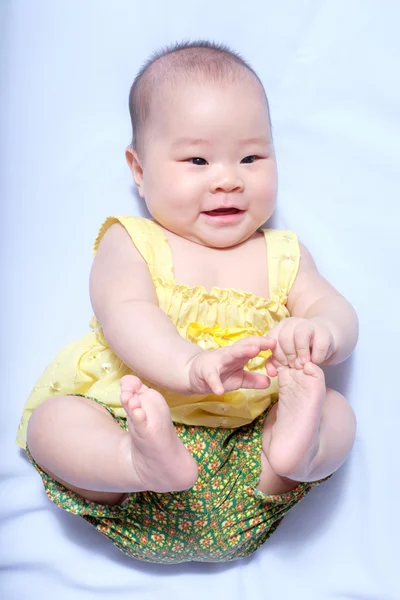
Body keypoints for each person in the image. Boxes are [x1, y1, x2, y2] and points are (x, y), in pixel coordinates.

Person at [16, 40, 358, 564]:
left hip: (250, 468)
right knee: (53, 425)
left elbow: (334, 308)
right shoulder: (132, 240)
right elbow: (127, 313)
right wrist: (189, 365)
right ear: (138, 168)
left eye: (251, 157)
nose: (228, 178)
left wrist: (324, 333)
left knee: (336, 412)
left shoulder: (283, 253)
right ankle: (135, 460)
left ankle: (298, 449)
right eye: (197, 159)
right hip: (133, 449)